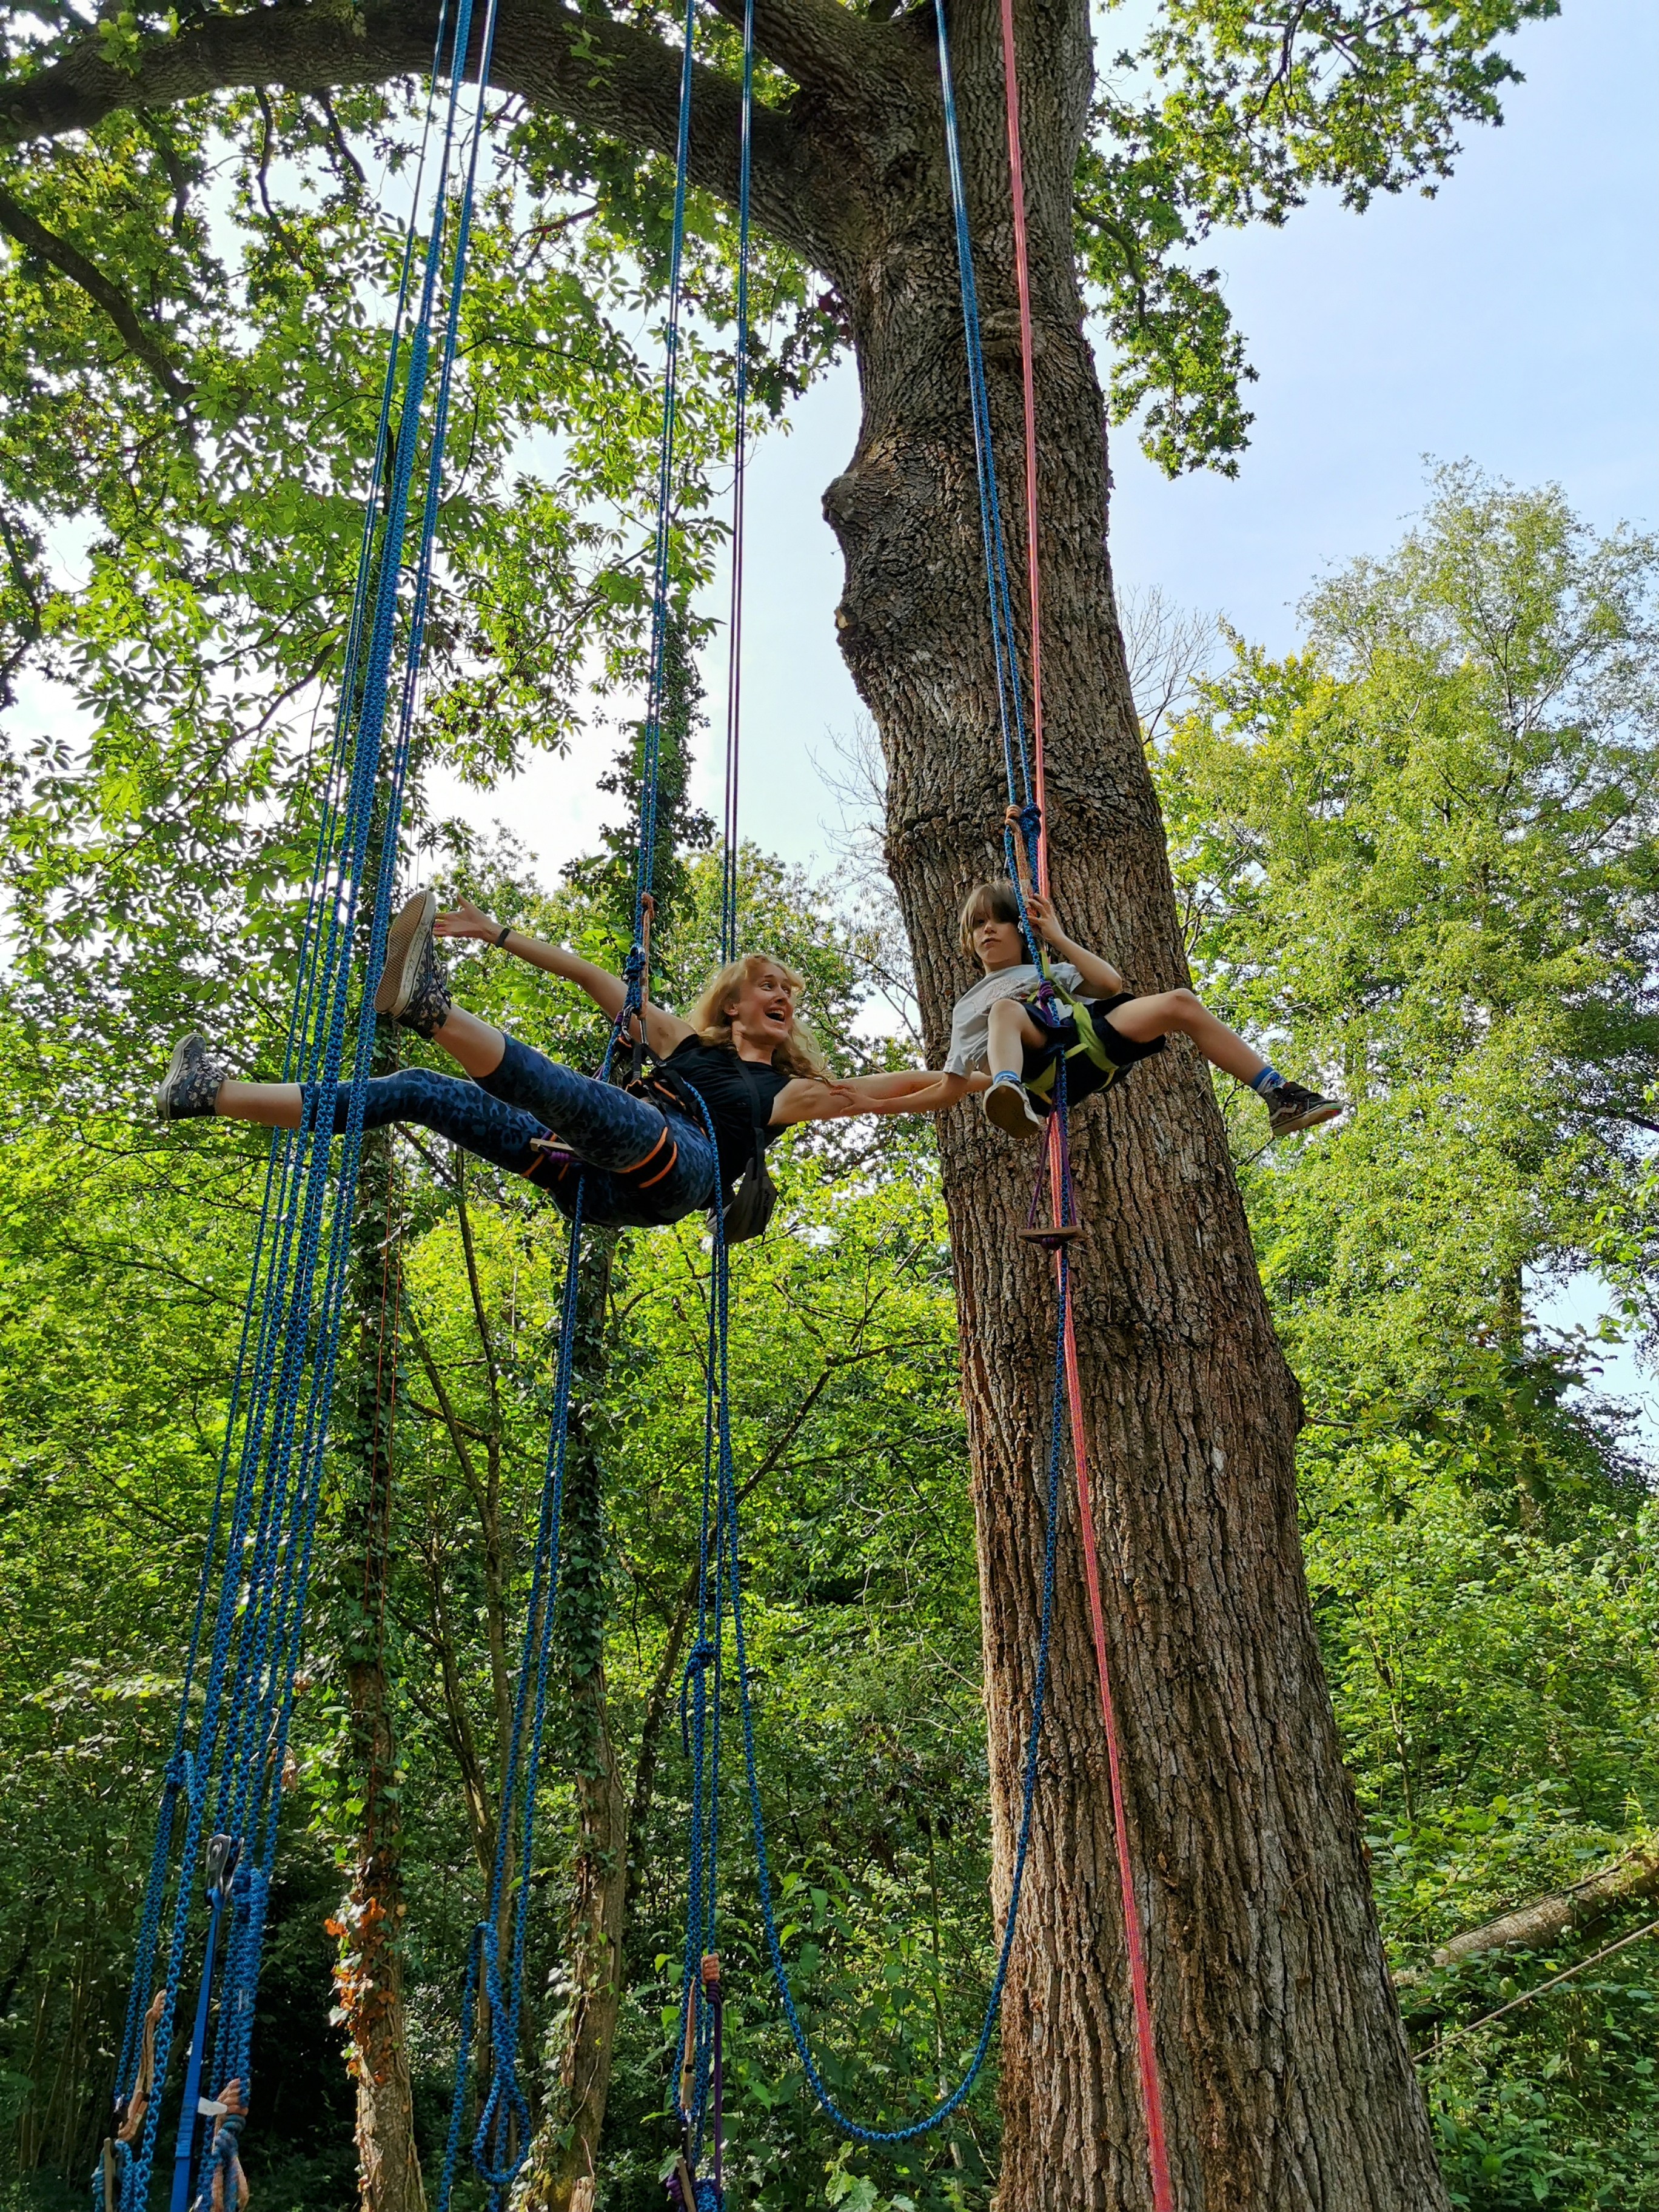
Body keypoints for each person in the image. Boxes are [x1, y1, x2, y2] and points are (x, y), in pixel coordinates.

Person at [156, 891, 971, 1232]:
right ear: (733, 1003)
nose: (783, 996)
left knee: (607, 1107)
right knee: (415, 1090)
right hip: (590, 1175)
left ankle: (427, 1008)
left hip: (676, 1168)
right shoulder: (684, 1045)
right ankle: (209, 1093)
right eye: (768, 986)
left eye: (788, 991)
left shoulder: (784, 1089)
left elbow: (871, 1092)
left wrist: (963, 1082)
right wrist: (496, 934)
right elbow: (591, 979)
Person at [946, 877, 1345, 1142]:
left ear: (1022, 928)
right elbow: (957, 1077)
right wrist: (885, 1101)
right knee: (1005, 1011)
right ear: (969, 938)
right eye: (979, 924)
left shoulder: (1050, 972)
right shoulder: (970, 1005)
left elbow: (1109, 985)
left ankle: (1280, 1096)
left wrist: (1057, 937)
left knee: (1181, 1003)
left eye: (1000, 920)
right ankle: (1009, 1088)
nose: (989, 930)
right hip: (1037, 1070)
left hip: (1079, 1042)